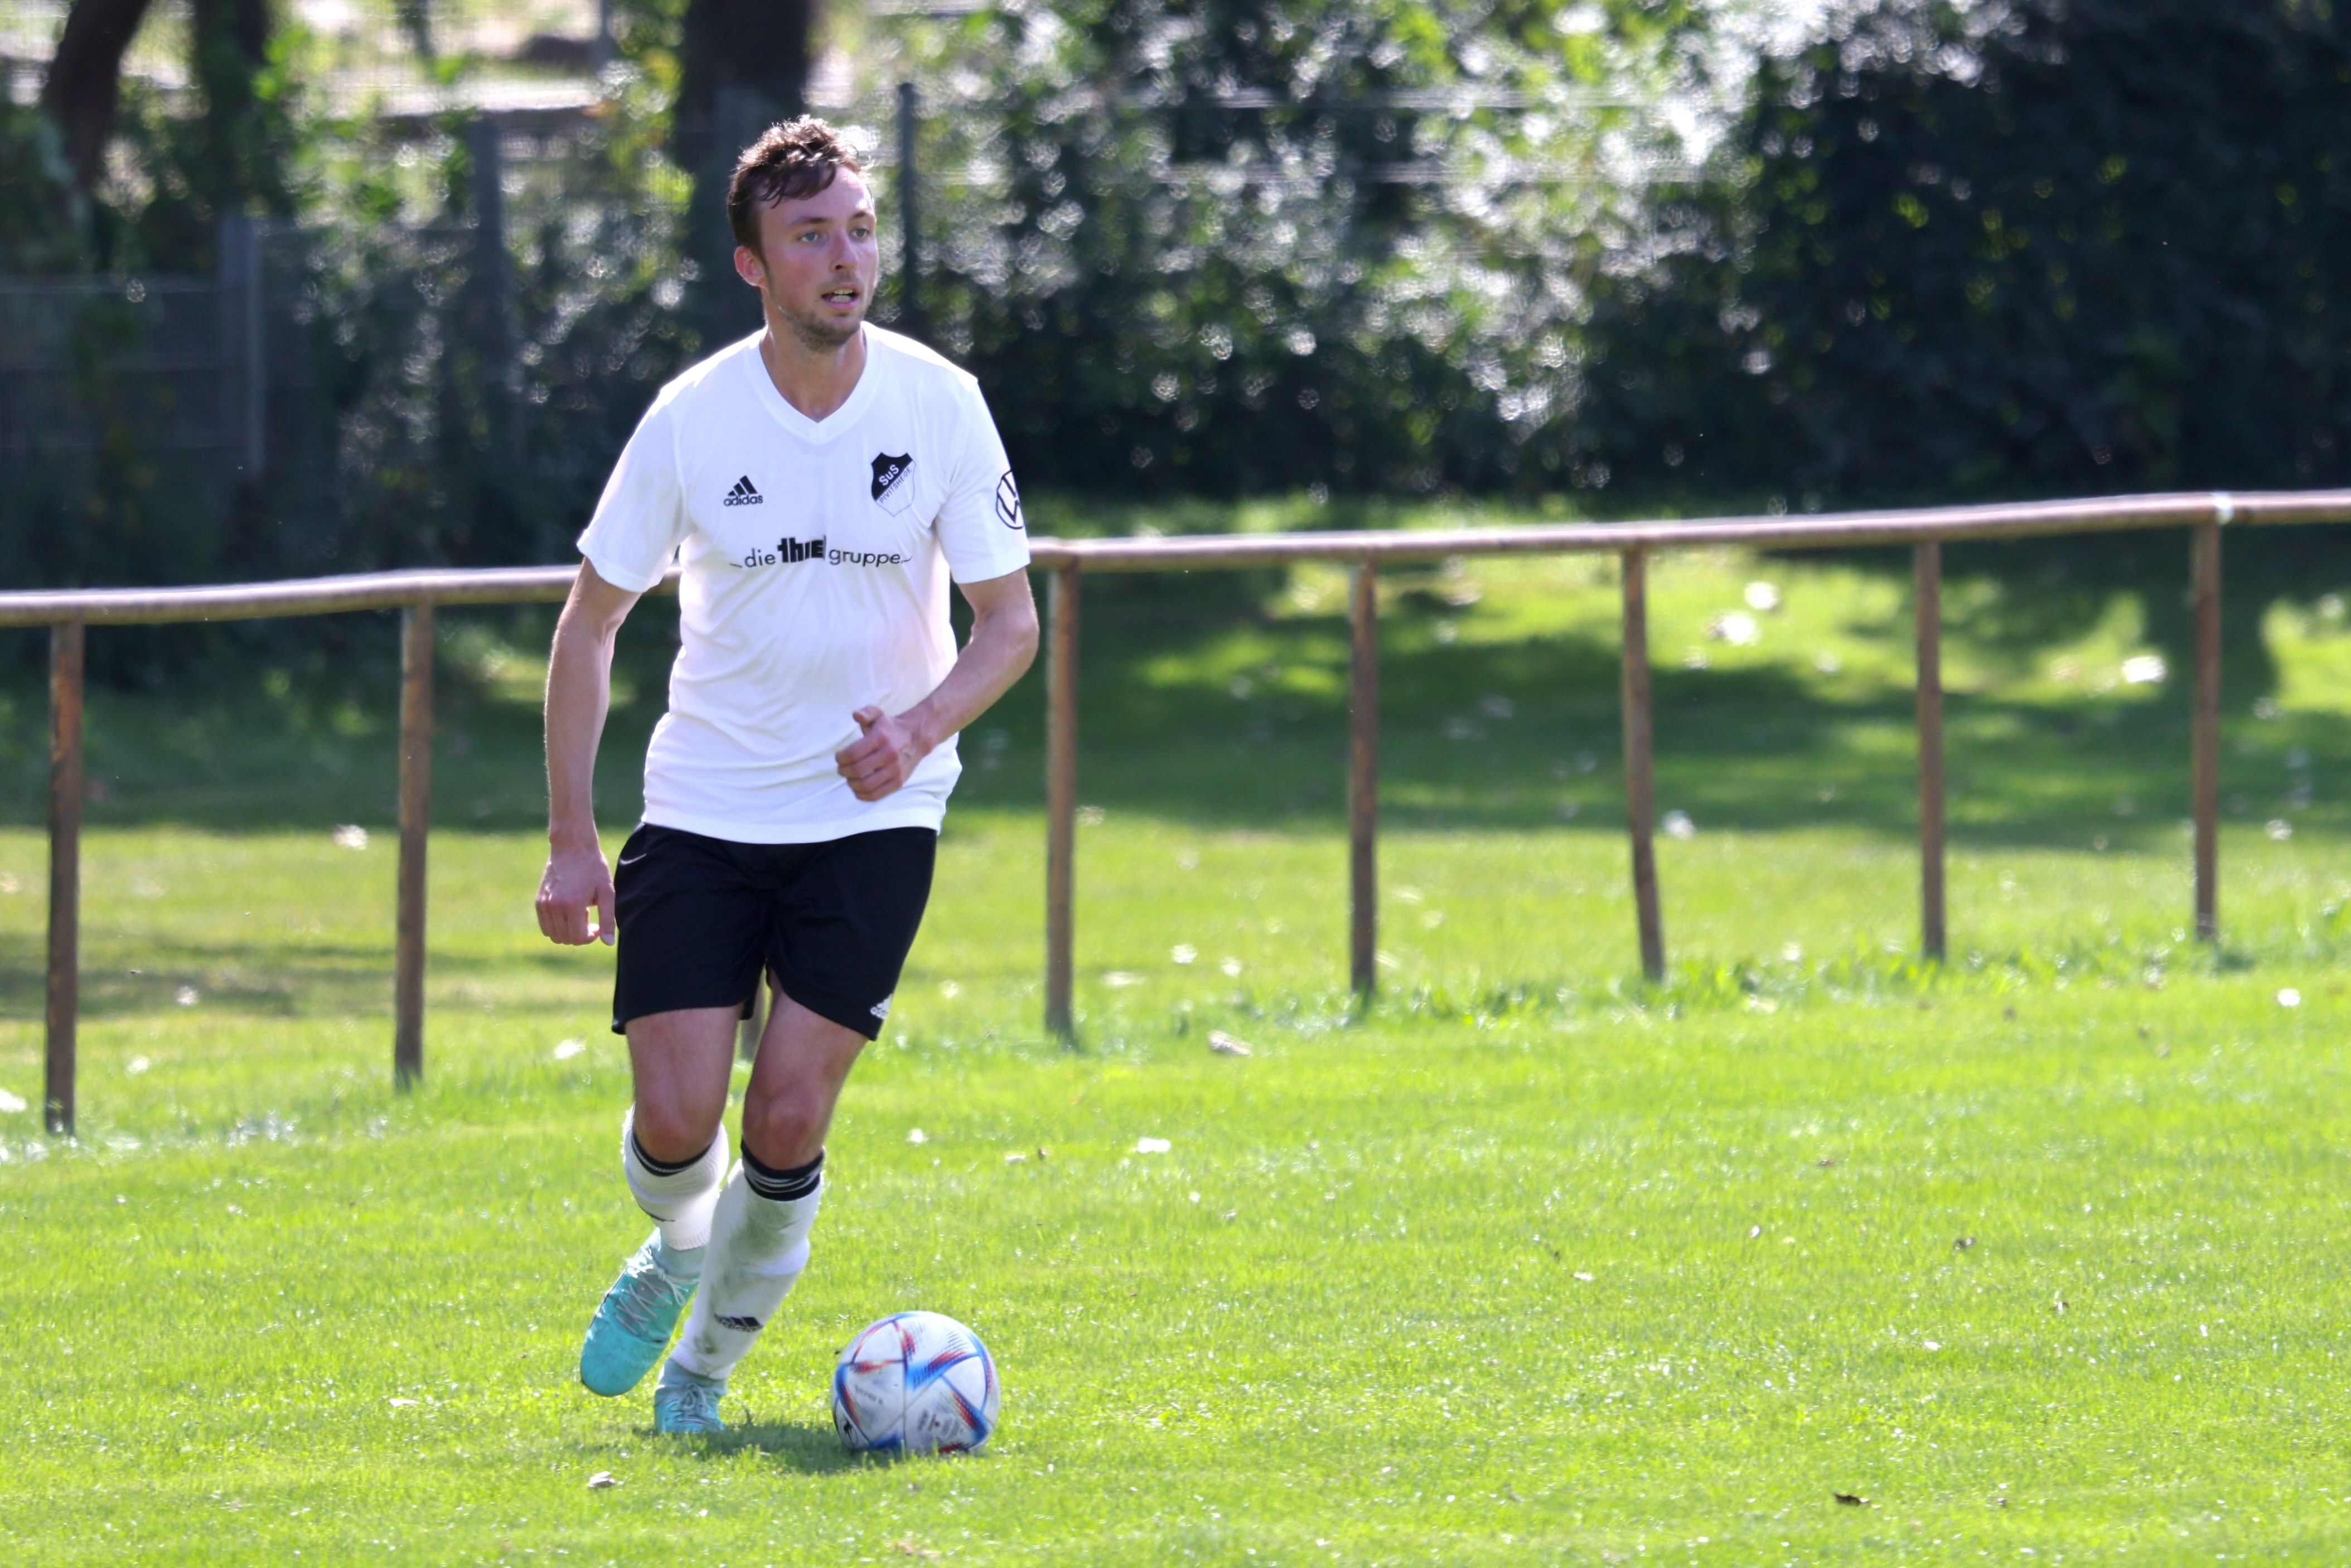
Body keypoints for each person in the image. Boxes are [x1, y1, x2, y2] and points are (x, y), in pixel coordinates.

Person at [534, 117, 1038, 1435]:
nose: (844, 257)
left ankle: (700, 1373)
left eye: (859, 230)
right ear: (753, 265)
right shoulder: (692, 418)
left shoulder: (939, 402)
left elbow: (1010, 625)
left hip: (874, 813)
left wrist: (916, 730)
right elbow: (589, 625)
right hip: (705, 802)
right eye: (810, 236)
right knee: (673, 1117)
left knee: (788, 1112)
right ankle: (676, 1247)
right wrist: (573, 837)